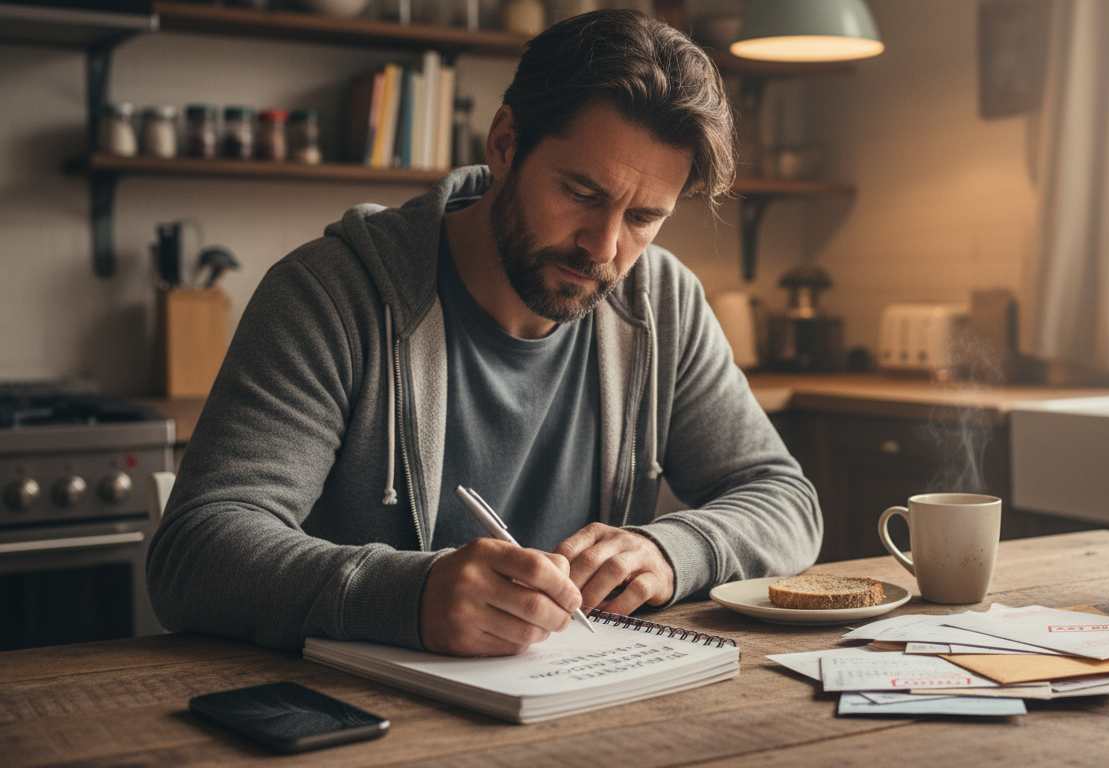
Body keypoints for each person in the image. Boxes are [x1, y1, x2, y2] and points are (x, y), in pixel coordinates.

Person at [147, 10, 822, 657]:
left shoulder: (660, 301)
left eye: (644, 217)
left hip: (589, 701)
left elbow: (786, 502)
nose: (604, 246)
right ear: (504, 143)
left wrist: (674, 551)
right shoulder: (332, 294)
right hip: (352, 722)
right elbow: (196, 554)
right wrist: (408, 598)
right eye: (582, 193)